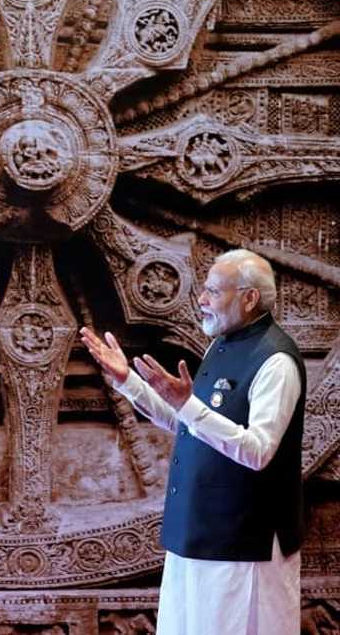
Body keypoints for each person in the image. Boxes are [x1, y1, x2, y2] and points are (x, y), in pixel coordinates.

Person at [80, 249, 305, 635]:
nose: (201, 300)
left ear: (249, 299)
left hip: (241, 543)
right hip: (195, 532)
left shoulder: (276, 362)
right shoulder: (222, 344)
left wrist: (188, 404)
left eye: (214, 292)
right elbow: (186, 421)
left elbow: (257, 451)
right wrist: (128, 382)